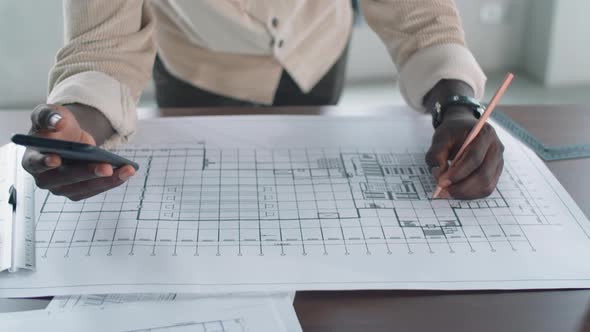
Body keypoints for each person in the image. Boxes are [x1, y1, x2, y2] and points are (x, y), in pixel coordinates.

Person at [23, 0, 504, 201]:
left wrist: (458, 105)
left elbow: (418, 16)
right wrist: (74, 126)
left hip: (316, 55)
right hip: (195, 71)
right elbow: (102, 45)